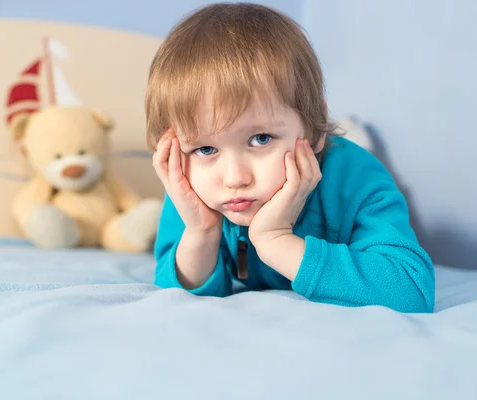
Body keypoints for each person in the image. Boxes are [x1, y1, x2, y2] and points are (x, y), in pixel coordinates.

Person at [145, 2, 435, 312]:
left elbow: (411, 292)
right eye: (205, 149)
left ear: (314, 129)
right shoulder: (193, 190)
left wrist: (276, 241)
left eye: (261, 139)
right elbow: (177, 296)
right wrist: (201, 232)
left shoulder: (356, 177)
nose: (234, 178)